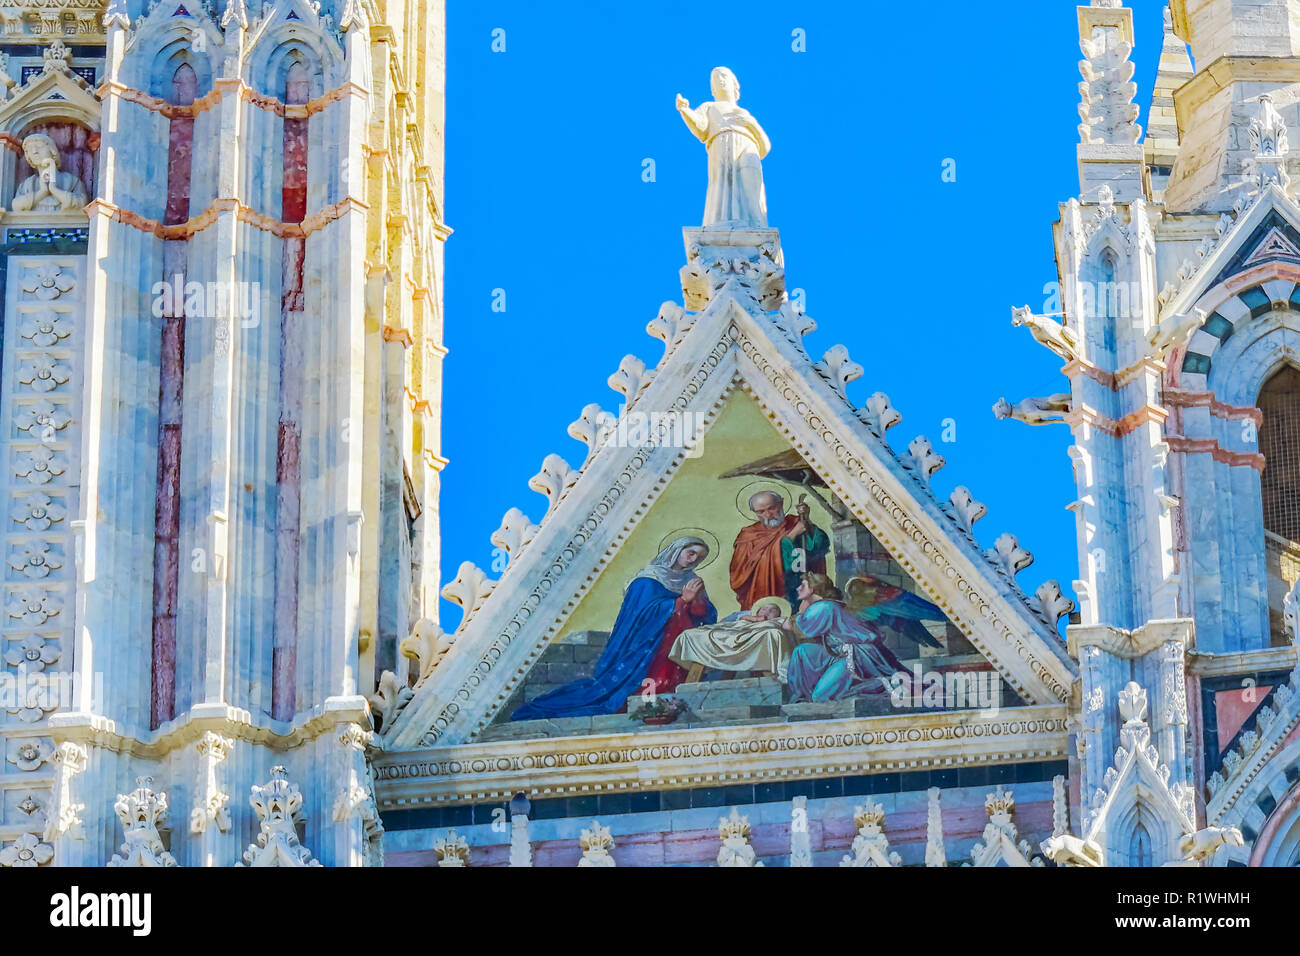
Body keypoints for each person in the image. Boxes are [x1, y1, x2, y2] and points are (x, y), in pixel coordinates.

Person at [511, 537, 717, 719]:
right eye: (691, 553)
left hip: (675, 644)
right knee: (651, 682)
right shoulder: (648, 579)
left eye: (699, 558)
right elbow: (640, 616)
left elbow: (706, 615)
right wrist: (680, 602)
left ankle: (664, 706)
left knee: (668, 681)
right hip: (646, 648)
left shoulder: (692, 581)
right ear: (676, 551)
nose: (693, 559)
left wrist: (697, 601)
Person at [785, 573, 905, 702]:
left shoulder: (824, 606)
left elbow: (803, 629)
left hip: (856, 655)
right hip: (838, 652)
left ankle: (884, 685)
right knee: (801, 651)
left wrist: (799, 613)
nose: (798, 588)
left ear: (814, 587)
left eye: (803, 585)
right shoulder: (825, 605)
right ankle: (802, 697)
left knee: (821, 696)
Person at [676, 67, 770, 228]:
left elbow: (765, 147)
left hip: (748, 145)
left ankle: (756, 222)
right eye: (715, 79)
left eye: (723, 76)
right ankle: (721, 222)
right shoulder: (709, 106)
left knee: (750, 176)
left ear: (734, 84)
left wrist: (751, 124)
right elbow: (700, 127)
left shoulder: (744, 113)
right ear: (712, 88)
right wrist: (685, 110)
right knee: (722, 184)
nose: (720, 80)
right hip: (720, 144)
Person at [729, 490, 829, 609]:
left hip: (798, 587)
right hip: (765, 594)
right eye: (761, 511)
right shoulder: (748, 535)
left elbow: (820, 546)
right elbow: (739, 574)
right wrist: (791, 536)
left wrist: (807, 521)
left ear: (781, 504)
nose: (768, 515)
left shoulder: (796, 522)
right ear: (754, 512)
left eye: (771, 508)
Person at [11, 133, 87, 212]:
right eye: (29, 149)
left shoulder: (71, 181)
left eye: (39, 146)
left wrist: (54, 189)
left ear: (52, 150)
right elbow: (16, 206)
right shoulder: (26, 185)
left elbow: (81, 204)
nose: (34, 151)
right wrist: (42, 192)